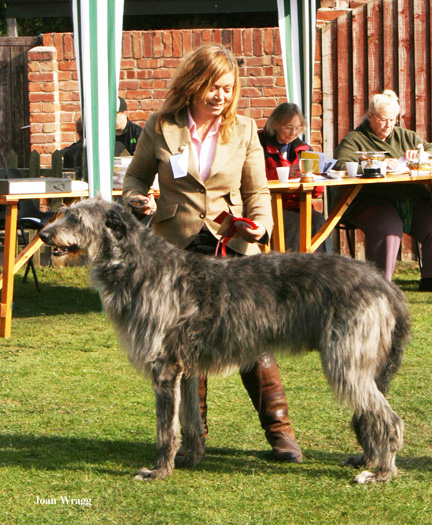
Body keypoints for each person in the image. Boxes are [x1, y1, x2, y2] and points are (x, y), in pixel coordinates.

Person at [122, 44, 302, 463]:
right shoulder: (160, 125)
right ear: (192, 83)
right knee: (182, 345)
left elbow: (257, 191)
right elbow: (134, 177)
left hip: (231, 244)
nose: (220, 95)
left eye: (227, 88)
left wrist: (260, 226)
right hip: (175, 250)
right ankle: (193, 436)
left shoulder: (243, 128)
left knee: (252, 339)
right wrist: (137, 199)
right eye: (212, 87)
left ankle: (280, 434)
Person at [333, 89, 432, 290]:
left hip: (410, 198)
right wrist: (376, 165)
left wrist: (419, 156)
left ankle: (429, 280)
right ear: (370, 116)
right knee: (388, 229)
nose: (389, 125)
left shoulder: (404, 136)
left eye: (393, 120)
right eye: (383, 119)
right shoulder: (355, 139)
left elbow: (429, 149)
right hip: (371, 200)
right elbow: (340, 166)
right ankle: (380, 287)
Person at [258, 102, 331, 253]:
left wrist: (314, 178)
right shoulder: (259, 144)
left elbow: (317, 192)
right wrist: (284, 172)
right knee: (296, 223)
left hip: (298, 204)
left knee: (318, 221)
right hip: (269, 205)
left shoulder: (303, 149)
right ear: (276, 124)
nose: (293, 133)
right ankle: (292, 270)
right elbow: (254, 177)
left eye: (298, 128)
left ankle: (324, 269)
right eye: (288, 127)